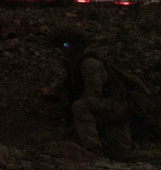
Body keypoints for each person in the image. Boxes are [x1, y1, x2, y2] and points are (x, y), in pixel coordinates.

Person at [49, 28, 149, 160]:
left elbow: (93, 92)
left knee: (80, 107)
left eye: (66, 45)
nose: (63, 49)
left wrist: (75, 118)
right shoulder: (76, 64)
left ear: (76, 46)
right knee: (121, 154)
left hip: (117, 106)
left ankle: (92, 150)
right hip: (115, 107)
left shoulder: (89, 64)